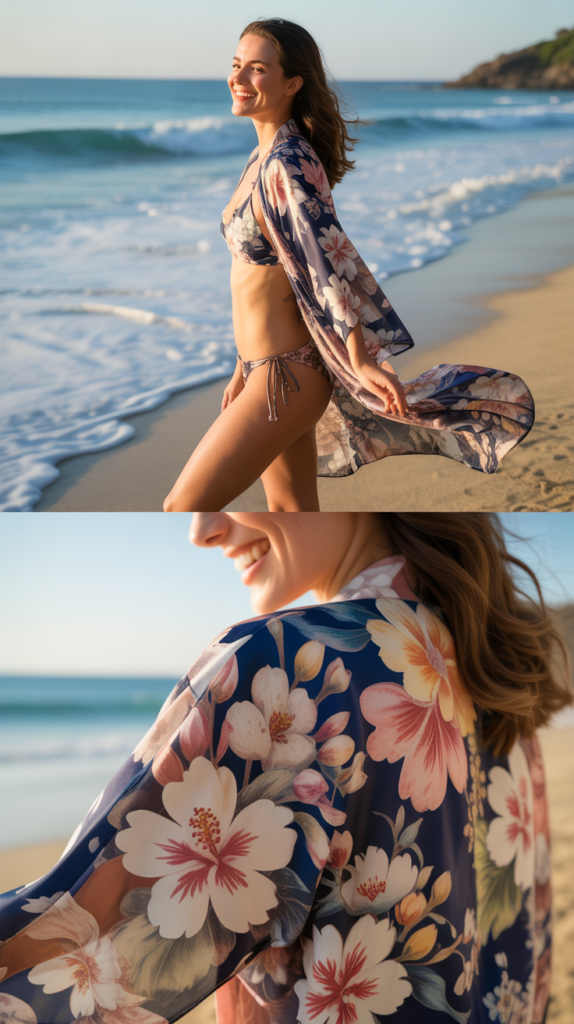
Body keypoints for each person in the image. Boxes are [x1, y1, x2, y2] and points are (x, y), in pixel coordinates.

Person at [0, 512, 571, 1024]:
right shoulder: (493, 672)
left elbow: (73, 941)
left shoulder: (294, 664)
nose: (202, 531)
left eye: (243, 481)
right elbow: (525, 948)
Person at [163, 19, 534, 512]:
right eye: (236, 66)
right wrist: (241, 367)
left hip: (285, 375)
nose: (239, 78)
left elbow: (325, 263)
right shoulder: (264, 156)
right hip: (265, 371)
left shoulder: (288, 163)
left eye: (257, 69)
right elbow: (283, 277)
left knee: (183, 508)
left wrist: (359, 358)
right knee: (292, 514)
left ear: (292, 83)